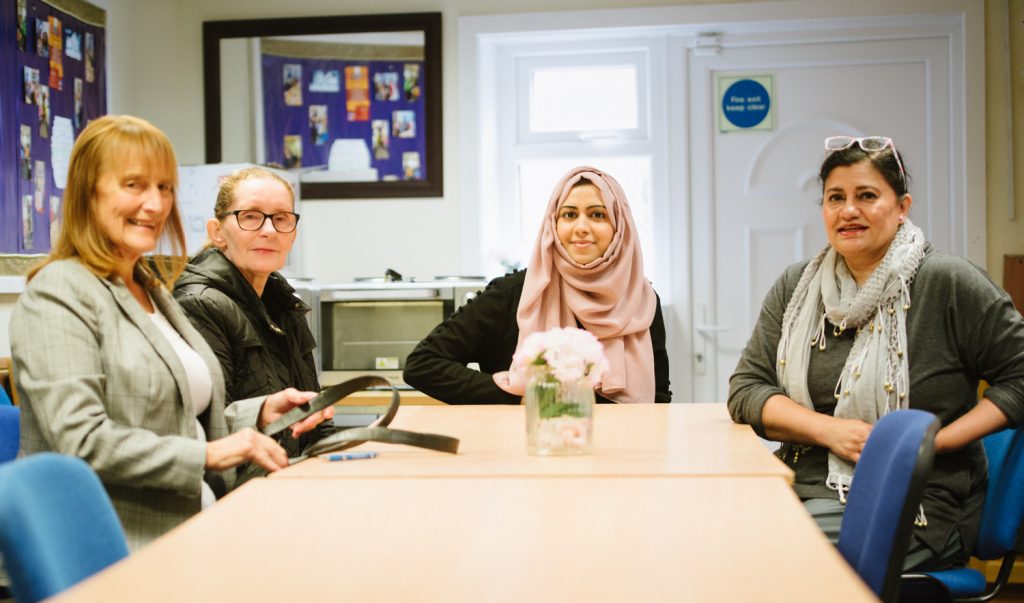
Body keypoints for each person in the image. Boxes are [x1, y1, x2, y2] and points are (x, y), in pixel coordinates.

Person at [9, 115, 332, 551]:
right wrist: (208, 455)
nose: (155, 204)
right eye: (134, 185)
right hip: (117, 542)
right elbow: (81, 441)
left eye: (164, 188)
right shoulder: (58, 293)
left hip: (193, 521)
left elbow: (176, 419)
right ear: (89, 193)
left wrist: (257, 413)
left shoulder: (148, 289)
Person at [728, 135, 1024, 571]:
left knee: (773, 555)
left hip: (917, 496)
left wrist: (929, 444)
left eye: (867, 195)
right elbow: (746, 390)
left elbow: (1018, 376)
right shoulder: (796, 287)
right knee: (709, 530)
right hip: (803, 482)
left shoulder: (946, 281)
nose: (849, 210)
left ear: (901, 207)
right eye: (836, 198)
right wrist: (828, 431)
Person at [404, 166, 671, 404]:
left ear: (619, 227)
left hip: (621, 452)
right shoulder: (512, 294)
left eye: (598, 214)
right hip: (527, 449)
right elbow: (423, 365)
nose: (581, 227)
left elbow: (658, 397)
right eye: (568, 214)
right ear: (552, 226)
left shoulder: (641, 300)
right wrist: (515, 398)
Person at [174, 167, 332, 458]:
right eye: (250, 216)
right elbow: (213, 428)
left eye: (281, 218)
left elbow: (314, 418)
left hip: (292, 472)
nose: (269, 230)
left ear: (292, 234)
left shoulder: (283, 303)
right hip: (242, 485)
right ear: (217, 232)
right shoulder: (199, 305)